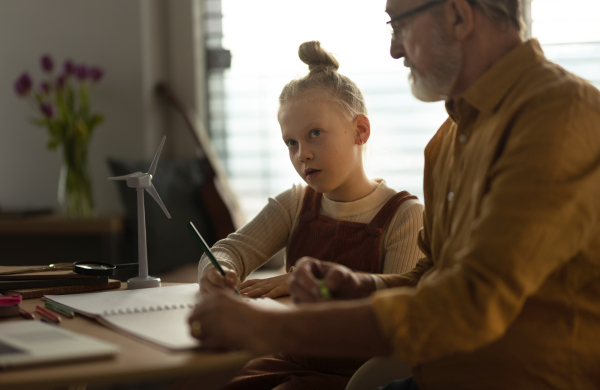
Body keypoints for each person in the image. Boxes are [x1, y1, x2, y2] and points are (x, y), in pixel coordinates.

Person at [188, 0, 600, 389]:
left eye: (399, 24)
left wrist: (267, 326)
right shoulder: (449, 139)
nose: (393, 50)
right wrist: (361, 286)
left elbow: (471, 303)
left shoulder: (560, 117)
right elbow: (432, 276)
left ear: (458, 16)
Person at [195, 40, 424, 389]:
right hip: (284, 359)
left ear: (360, 130)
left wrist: (312, 286)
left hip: (354, 379)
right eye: (291, 142)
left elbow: (397, 322)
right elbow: (227, 251)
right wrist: (219, 270)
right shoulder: (295, 202)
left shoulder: (404, 215)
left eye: (315, 134)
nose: (303, 155)